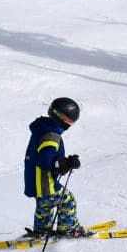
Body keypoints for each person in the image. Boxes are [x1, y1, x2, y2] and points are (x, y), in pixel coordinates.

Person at [23, 97, 88, 238]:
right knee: (67, 199)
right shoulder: (52, 135)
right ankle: (68, 229)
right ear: (62, 118)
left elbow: (48, 158)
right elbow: (46, 161)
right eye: (70, 121)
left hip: (34, 182)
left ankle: (42, 230)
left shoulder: (42, 129)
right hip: (45, 183)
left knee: (45, 205)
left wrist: (65, 161)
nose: (69, 125)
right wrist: (66, 164)